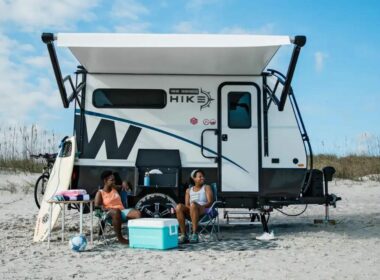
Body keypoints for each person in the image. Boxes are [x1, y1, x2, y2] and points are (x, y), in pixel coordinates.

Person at [94, 170, 142, 244]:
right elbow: (97, 207)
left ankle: (135, 237)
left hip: (122, 211)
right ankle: (121, 239)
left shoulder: (115, 188)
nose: (114, 182)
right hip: (110, 214)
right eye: (111, 180)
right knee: (116, 211)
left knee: (137, 213)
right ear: (105, 181)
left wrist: (124, 182)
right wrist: (105, 209)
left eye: (114, 180)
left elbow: (126, 185)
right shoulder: (100, 193)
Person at [175, 169, 213, 244]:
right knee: (179, 206)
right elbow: (186, 205)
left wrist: (198, 206)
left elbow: (210, 202)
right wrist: (193, 207)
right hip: (192, 210)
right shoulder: (188, 190)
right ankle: (183, 235)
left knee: (193, 204)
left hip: (203, 209)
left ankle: (194, 233)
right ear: (194, 178)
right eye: (200, 176)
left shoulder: (206, 187)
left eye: (203, 176)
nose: (203, 178)